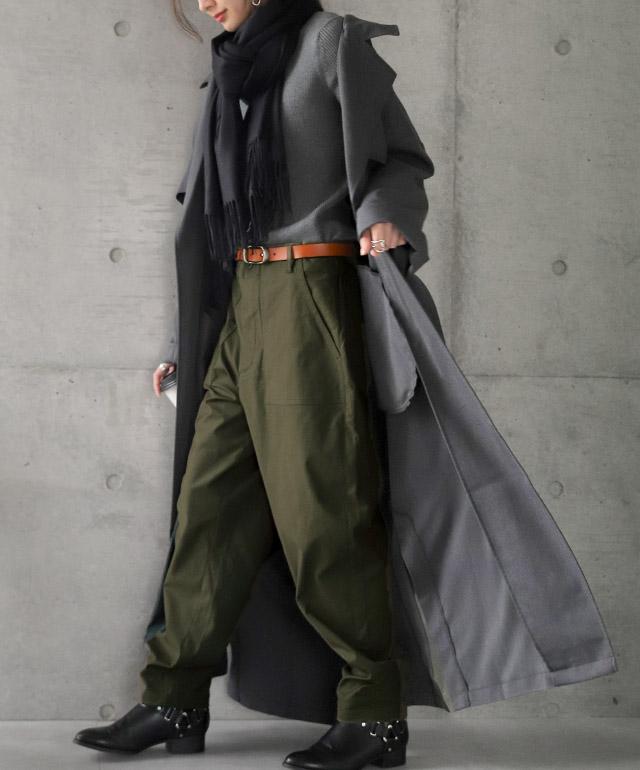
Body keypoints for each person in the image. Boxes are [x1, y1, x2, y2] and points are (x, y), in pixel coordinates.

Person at [74, 1, 419, 767]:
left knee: (322, 508)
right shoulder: (229, 67)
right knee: (209, 509)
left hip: (310, 293)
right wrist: (185, 342)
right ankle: (174, 699)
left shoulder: (330, 43)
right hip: (241, 304)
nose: (203, 4)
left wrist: (386, 214)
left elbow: (397, 155)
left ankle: (374, 714)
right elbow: (213, 217)